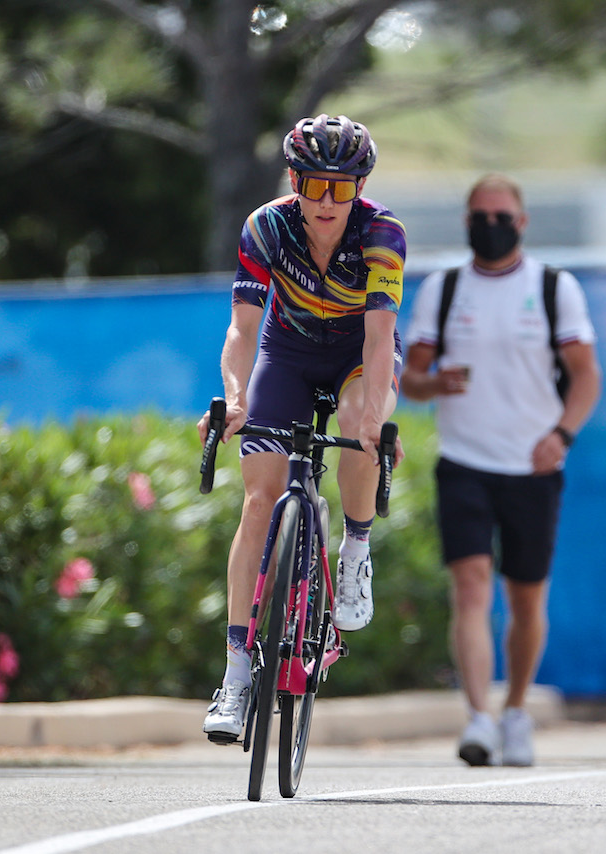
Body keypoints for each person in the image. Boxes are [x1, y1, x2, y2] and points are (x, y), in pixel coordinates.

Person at [199, 114, 406, 740]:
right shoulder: (267, 226)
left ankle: (356, 550)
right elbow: (241, 328)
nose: (324, 201)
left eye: (340, 189)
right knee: (259, 502)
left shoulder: (383, 233)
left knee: (357, 417)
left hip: (354, 356)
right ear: (294, 180)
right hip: (285, 354)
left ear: (359, 189)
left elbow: (379, 334)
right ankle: (236, 677)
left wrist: (372, 417)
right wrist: (235, 398)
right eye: (312, 184)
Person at [400, 173, 602, 767]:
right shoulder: (443, 289)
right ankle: (478, 718)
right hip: (463, 460)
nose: (491, 226)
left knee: (526, 598)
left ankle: (515, 710)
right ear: (465, 223)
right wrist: (432, 382)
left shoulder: (551, 288)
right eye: (480, 216)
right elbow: (409, 378)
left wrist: (561, 435)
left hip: (532, 465)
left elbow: (587, 374)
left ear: (522, 221)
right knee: (469, 584)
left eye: (502, 216)